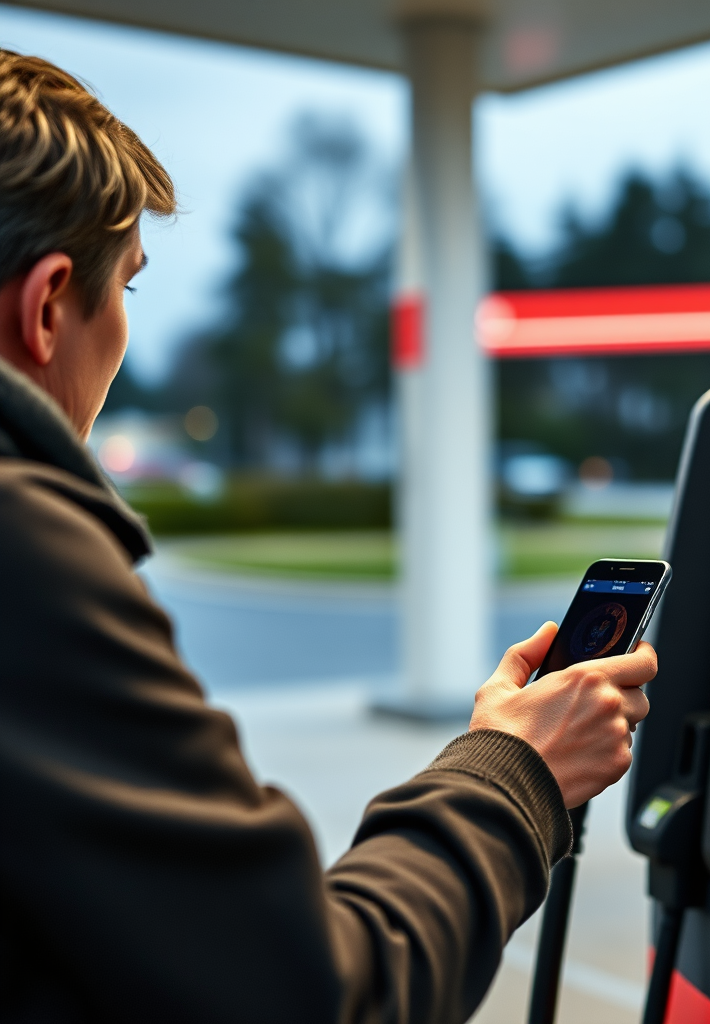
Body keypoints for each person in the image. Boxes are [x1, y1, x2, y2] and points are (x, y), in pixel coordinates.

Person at [0, 51, 657, 1023]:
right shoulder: (27, 554)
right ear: (50, 305)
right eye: (130, 290)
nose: (126, 326)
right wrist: (520, 771)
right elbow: (318, 992)